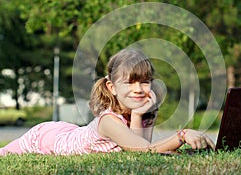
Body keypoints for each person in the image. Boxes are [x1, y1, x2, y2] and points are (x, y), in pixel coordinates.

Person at [0, 49, 215, 156]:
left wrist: (141, 115)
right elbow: (142, 151)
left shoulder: (144, 109)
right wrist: (182, 135)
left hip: (74, 130)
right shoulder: (109, 121)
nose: (138, 89)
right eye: (130, 82)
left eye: (145, 81)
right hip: (48, 137)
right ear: (112, 87)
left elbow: (142, 150)